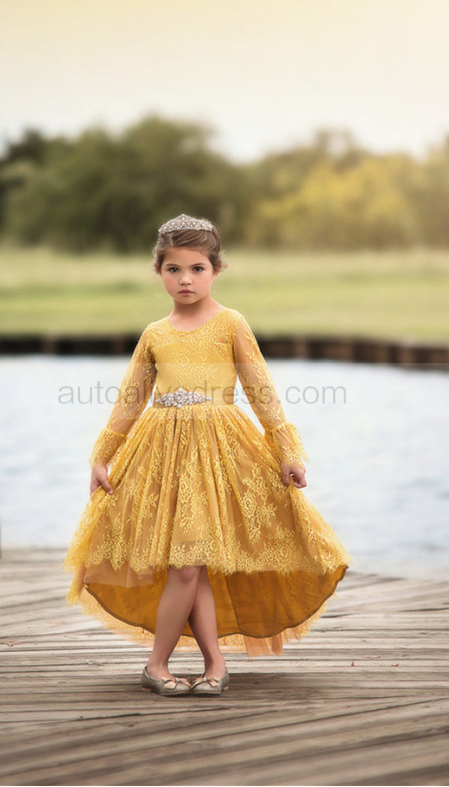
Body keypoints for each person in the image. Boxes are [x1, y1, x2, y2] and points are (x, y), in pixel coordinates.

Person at [63, 213, 352, 696]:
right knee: (187, 563)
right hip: (164, 457)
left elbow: (262, 390)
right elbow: (130, 400)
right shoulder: (155, 333)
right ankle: (204, 664)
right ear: (159, 271)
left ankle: (170, 664)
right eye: (174, 269)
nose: (186, 280)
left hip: (221, 453)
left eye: (197, 268)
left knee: (189, 563)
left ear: (216, 269)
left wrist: (286, 450)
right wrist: (102, 456)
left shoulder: (231, 324)